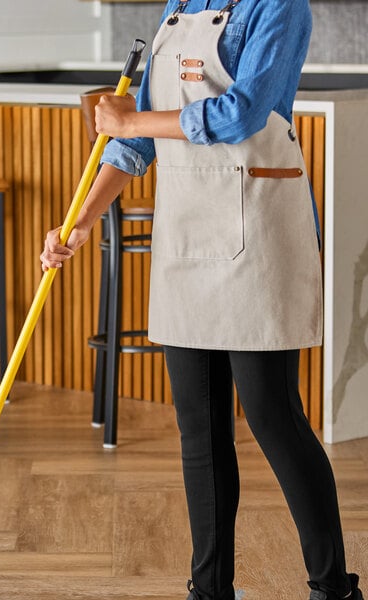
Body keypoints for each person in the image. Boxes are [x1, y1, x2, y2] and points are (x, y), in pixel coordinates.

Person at [39, 0, 365, 599]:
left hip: (258, 231)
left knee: (274, 418)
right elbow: (133, 147)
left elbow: (240, 115)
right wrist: (80, 221)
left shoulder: (279, 8)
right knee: (199, 429)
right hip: (187, 234)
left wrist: (131, 122)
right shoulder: (179, 7)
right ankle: (209, 589)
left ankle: (333, 588)